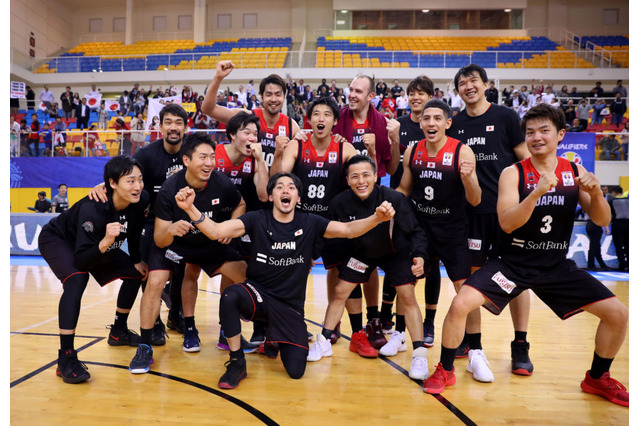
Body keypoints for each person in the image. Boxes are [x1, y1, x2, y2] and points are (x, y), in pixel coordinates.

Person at [423, 104, 629, 408]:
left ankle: (597, 378)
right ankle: (446, 369)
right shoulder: (513, 173)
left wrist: (597, 193)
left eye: (544, 130)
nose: (536, 137)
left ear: (560, 135)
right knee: (460, 304)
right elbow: (507, 222)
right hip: (512, 264)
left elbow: (601, 220)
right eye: (530, 132)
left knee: (618, 314)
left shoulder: (574, 171)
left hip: (556, 267)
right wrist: (536, 193)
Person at [173, 171, 395, 389]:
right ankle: (237, 361)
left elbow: (348, 229)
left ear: (298, 197)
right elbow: (216, 231)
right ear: (271, 197)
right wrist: (190, 209)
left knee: (296, 370)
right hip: (258, 295)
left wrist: (378, 218)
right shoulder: (256, 219)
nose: (285, 190)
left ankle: (274, 338)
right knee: (230, 295)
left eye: (291, 187)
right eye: (279, 187)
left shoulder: (310, 222)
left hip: (290, 307)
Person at [128, 132, 249, 373]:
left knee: (245, 275)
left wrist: (230, 227)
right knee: (155, 281)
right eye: (202, 157)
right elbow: (160, 240)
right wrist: (171, 228)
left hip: (209, 242)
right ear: (186, 161)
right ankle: (145, 344)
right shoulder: (169, 190)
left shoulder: (222, 182)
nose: (209, 162)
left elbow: (241, 204)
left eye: (212, 157)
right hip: (175, 246)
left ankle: (228, 331)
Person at [307, 155, 429, 380]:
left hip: (395, 253)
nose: (361, 181)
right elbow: (331, 236)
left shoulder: (393, 198)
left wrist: (420, 257)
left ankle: (419, 355)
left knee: (407, 295)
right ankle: (323, 341)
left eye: (366, 175)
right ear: (347, 180)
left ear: (376, 176)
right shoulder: (339, 204)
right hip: (361, 253)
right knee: (341, 291)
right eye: (355, 176)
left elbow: (416, 232)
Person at [447, 64, 532, 380]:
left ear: (485, 85)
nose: (468, 86)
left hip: (508, 213)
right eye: (462, 83)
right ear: (457, 91)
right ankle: (472, 343)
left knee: (518, 277)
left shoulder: (506, 117)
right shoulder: (453, 124)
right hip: (471, 215)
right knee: (470, 279)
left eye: (473, 81)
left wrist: (528, 201)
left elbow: (526, 161)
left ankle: (520, 345)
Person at [38, 156, 149, 384]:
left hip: (98, 243)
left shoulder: (140, 199)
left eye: (140, 180)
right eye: (130, 181)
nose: (137, 186)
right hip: (60, 240)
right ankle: (66, 357)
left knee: (136, 272)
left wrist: (136, 259)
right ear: (113, 183)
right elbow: (82, 262)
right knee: (77, 279)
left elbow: (135, 231)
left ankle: (118, 331)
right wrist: (106, 241)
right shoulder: (93, 209)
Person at [270, 97, 359, 344]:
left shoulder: (344, 148)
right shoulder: (298, 145)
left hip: (331, 222)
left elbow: (363, 174)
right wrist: (280, 152)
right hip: (302, 220)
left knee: (340, 270)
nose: (321, 118)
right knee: (292, 272)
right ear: (308, 120)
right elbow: (281, 177)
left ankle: (338, 323)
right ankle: (285, 323)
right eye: (316, 114)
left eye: (327, 114)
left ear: (335, 121)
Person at [396, 99, 481, 352]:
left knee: (465, 290)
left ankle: (476, 348)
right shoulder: (413, 150)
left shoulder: (462, 151)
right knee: (405, 281)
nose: (431, 123)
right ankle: (401, 334)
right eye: (426, 118)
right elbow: (404, 190)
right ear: (420, 122)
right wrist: (386, 209)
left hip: (452, 229)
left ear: (447, 123)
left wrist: (467, 179)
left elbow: (475, 199)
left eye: (437, 118)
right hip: (421, 229)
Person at [382, 75, 434, 335]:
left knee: (430, 263)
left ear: (430, 98)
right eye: (412, 92)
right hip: (400, 202)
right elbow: (389, 165)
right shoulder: (397, 125)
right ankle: (385, 317)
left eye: (421, 93)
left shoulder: (434, 128)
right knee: (394, 259)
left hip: (428, 205)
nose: (416, 97)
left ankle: (430, 323)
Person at [202, 61, 301, 171]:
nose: (273, 99)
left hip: (276, 185)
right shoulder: (247, 117)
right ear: (262, 97)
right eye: (268, 94)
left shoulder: (292, 126)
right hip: (249, 182)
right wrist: (218, 78)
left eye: (278, 94)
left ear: (284, 97)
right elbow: (208, 109)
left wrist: (303, 136)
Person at [333, 74, 399, 180]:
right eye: (351, 90)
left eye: (358, 91)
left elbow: (391, 170)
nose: (352, 95)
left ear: (370, 96)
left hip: (371, 190)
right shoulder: (335, 120)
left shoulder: (383, 123)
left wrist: (395, 140)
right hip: (341, 189)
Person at [608, 186, 628, 272]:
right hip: (629, 224)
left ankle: (622, 265)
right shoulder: (629, 200)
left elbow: (610, 215)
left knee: (618, 246)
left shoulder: (612, 201)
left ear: (614, 193)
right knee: (628, 246)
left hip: (617, 224)